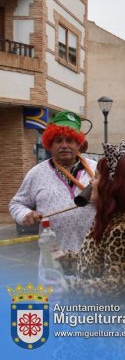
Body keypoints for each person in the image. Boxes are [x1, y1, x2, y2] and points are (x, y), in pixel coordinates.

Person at [54, 141, 125, 358]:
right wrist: (69, 259)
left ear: (113, 186)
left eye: (97, 177)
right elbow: (98, 262)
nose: (91, 181)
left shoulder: (124, 229)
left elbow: (117, 284)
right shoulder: (108, 220)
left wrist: (68, 287)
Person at [9, 110, 96, 283]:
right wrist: (25, 215)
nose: (64, 145)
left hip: (93, 260)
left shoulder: (96, 170)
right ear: (49, 144)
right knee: (54, 308)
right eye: (58, 140)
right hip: (54, 263)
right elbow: (16, 204)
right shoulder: (36, 173)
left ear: (79, 144)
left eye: (70, 140)